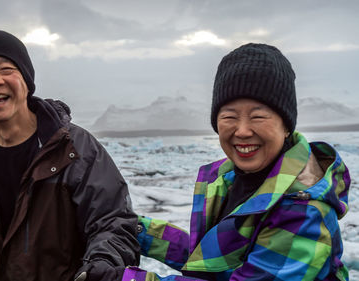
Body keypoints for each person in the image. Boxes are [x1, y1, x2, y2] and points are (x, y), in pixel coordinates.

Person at [121, 43, 350, 280]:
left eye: (258, 116)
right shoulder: (231, 179)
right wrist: (137, 231)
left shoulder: (303, 209)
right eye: (229, 116)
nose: (242, 131)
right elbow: (212, 259)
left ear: (286, 126)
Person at [0, 29, 139, 281]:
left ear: (26, 80)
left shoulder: (74, 150)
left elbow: (112, 223)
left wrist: (100, 267)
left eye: (6, 69)